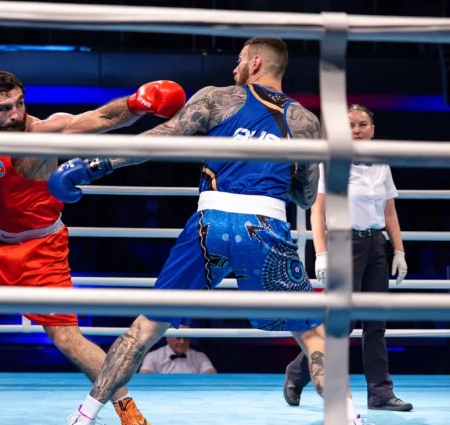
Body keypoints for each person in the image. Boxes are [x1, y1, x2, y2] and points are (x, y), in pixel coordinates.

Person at [50, 38, 363, 425]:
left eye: (239, 60)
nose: (234, 68)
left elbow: (163, 140)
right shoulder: (305, 122)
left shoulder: (216, 98)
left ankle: (86, 414)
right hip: (265, 227)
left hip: (209, 224)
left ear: (255, 63)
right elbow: (304, 196)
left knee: (147, 326)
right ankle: (350, 417)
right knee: (312, 335)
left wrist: (95, 164)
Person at [0, 71, 186, 425]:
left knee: (67, 338)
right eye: (4, 108)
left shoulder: (44, 134)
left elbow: (102, 118)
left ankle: (128, 411)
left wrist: (136, 105)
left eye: (19, 104)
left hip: (42, 250)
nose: (15, 114)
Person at [283, 103, 412, 412]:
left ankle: (380, 393)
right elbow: (317, 211)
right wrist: (321, 254)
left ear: (372, 130)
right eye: (350, 124)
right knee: (341, 322)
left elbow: (389, 211)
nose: (356, 130)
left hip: (376, 245)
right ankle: (298, 372)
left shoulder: (380, 163)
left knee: (376, 323)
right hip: (343, 243)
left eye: (362, 124)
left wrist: (399, 250)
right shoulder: (330, 163)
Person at [139, 333, 217, 374]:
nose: (182, 341)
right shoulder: (153, 356)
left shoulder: (200, 356)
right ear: (168, 337)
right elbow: (145, 377)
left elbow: (211, 375)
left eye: (186, 338)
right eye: (178, 338)